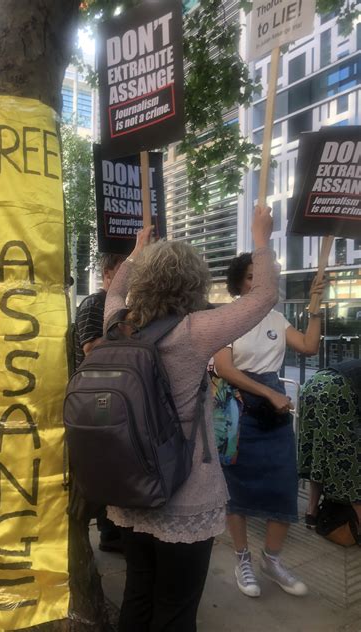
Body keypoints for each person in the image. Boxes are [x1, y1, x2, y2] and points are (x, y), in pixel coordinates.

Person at [104, 206, 279, 631]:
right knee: (177, 610)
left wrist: (135, 253)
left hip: (129, 488)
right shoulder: (195, 331)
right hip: (185, 494)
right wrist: (261, 238)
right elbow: (264, 297)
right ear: (194, 283)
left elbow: (113, 293)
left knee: (137, 595)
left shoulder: (118, 324)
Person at [213, 254, 325, 599]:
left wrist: (315, 306)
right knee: (237, 487)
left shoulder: (276, 317)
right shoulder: (227, 317)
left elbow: (308, 346)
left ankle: (271, 560)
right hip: (237, 410)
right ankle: (242, 557)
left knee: (283, 485)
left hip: (274, 414)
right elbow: (223, 368)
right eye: (249, 277)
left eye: (261, 277)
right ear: (238, 282)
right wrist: (267, 392)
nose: (256, 283)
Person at [75, 253, 126, 552]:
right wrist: (129, 333)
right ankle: (109, 533)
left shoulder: (116, 305)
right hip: (96, 400)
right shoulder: (97, 303)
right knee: (104, 468)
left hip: (108, 397)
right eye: (124, 271)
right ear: (108, 274)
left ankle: (112, 530)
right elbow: (91, 347)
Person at [298, 359, 361, 540]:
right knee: (349, 457)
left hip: (314, 383)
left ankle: (311, 512)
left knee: (317, 448)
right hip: (340, 390)